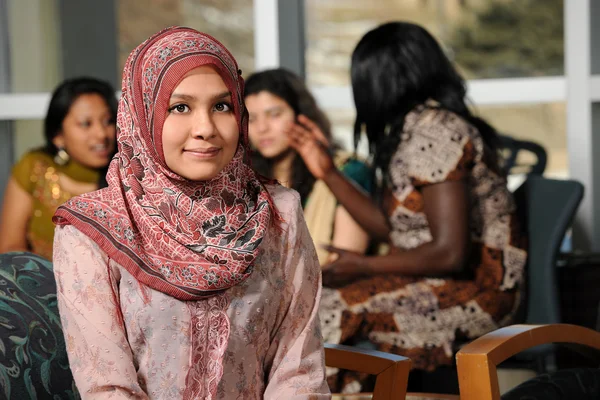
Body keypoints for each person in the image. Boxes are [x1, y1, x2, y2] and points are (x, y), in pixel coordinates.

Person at [52, 27, 330, 399]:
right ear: (142, 113)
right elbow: (108, 388)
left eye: (222, 105)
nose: (206, 129)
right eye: (179, 107)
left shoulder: (279, 212)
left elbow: (299, 372)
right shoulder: (89, 231)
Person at [287, 22, 527, 392]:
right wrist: (328, 172)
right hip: (435, 281)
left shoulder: (438, 131)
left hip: (479, 296)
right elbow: (392, 230)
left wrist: (363, 266)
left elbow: (450, 254)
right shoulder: (414, 129)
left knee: (328, 313)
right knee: (308, 307)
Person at [245, 68, 371, 265]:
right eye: (252, 119)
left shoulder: (348, 171)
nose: (262, 128)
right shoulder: (245, 179)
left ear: (301, 115)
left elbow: (344, 263)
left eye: (274, 114)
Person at [0, 77, 117, 260]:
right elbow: (10, 247)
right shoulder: (35, 167)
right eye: (86, 124)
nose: (102, 134)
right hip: (37, 285)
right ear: (58, 136)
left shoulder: (127, 176)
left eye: (108, 121)